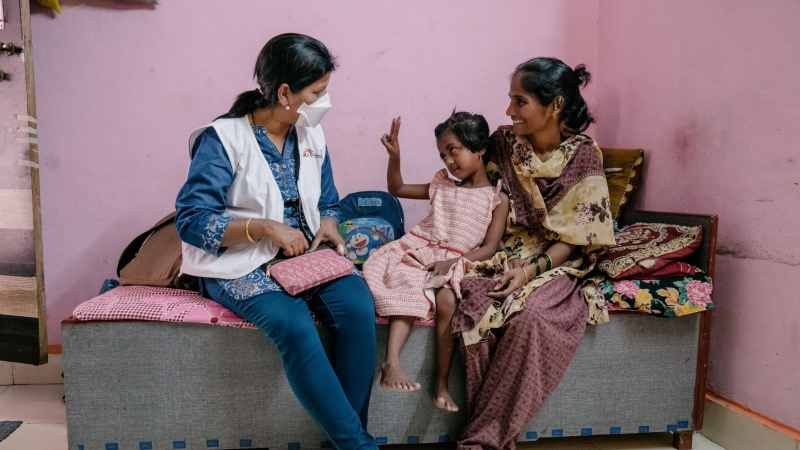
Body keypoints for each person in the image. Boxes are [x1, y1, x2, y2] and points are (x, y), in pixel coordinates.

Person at [174, 33, 378, 450]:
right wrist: (264, 228)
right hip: (237, 262)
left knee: (359, 309)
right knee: (294, 327)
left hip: (304, 256)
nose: (325, 102)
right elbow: (192, 220)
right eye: (318, 92)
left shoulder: (311, 136)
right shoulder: (222, 140)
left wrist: (329, 225)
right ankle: (358, 445)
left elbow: (330, 202)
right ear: (285, 92)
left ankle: (343, 444)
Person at [452, 58, 616, 449]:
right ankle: (493, 438)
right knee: (476, 307)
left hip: (555, 258)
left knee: (532, 318)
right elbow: (472, 193)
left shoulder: (584, 157)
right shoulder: (504, 145)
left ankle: (479, 442)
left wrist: (529, 272)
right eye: (510, 100)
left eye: (520, 101)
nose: (509, 111)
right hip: (500, 249)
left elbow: (577, 237)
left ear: (555, 105)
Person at [363, 112, 509, 413]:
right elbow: (397, 189)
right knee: (407, 281)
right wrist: (395, 157)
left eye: (453, 150)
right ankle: (391, 362)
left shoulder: (496, 198)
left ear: (479, 148)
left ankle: (440, 383)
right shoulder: (442, 185)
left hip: (457, 259)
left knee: (446, 299)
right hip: (420, 248)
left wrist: (454, 262)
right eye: (443, 155)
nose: (448, 161)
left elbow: (490, 247)